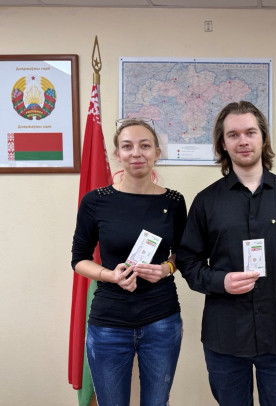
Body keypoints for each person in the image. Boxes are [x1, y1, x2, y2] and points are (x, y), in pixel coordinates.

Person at [176, 101, 276, 406]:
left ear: (263, 138)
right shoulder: (206, 202)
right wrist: (221, 281)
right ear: (223, 143)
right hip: (225, 338)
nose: (243, 141)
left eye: (250, 132)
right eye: (233, 135)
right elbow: (188, 262)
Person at [71, 118, 187, 406]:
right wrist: (110, 275)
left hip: (162, 320)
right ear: (117, 154)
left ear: (157, 153)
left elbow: (183, 253)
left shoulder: (174, 202)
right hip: (109, 323)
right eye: (127, 146)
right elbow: (78, 259)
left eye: (145, 146)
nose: (136, 153)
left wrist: (166, 269)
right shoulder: (95, 201)